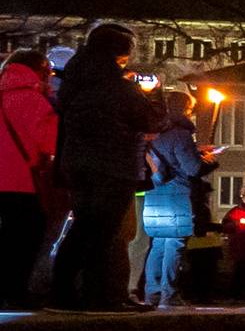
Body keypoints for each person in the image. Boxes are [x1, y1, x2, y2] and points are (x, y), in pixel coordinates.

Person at [49, 22, 165, 313]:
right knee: (104, 234)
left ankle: (63, 293)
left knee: (83, 228)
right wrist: (151, 92)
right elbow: (153, 121)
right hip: (113, 166)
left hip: (77, 163)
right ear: (120, 52)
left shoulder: (76, 79)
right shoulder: (117, 87)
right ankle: (99, 296)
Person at [140, 90, 217, 310]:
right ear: (186, 109)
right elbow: (191, 168)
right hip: (176, 193)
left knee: (158, 244)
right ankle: (169, 294)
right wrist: (208, 161)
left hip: (155, 191)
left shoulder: (155, 130)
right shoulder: (181, 134)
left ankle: (152, 292)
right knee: (175, 243)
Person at [0, 49, 61, 308]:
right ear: (40, 70)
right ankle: (15, 292)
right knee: (24, 237)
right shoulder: (34, 100)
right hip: (20, 181)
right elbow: (48, 142)